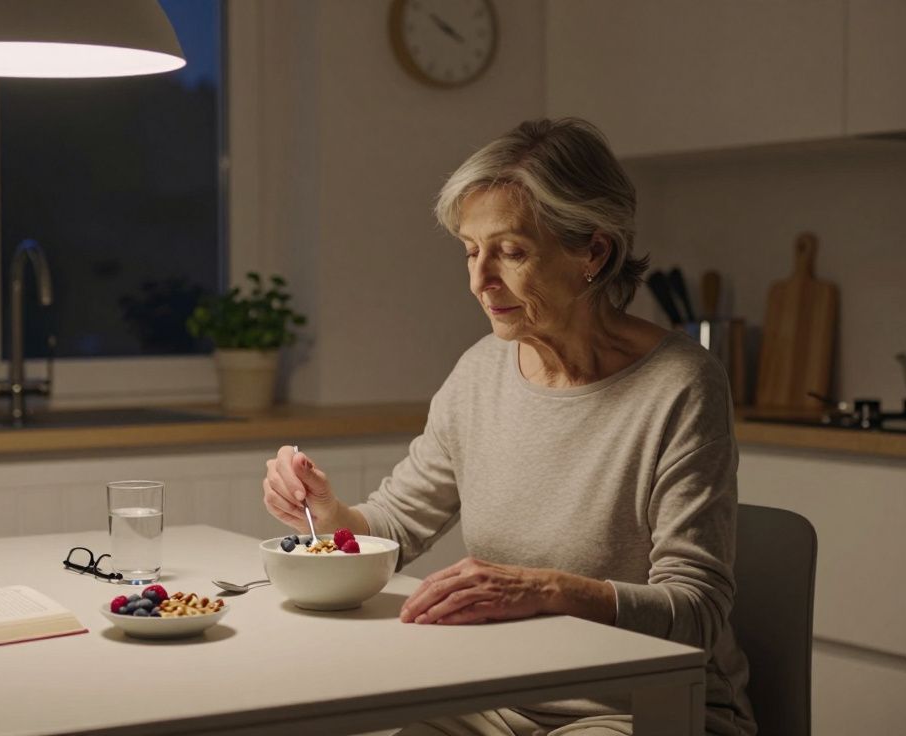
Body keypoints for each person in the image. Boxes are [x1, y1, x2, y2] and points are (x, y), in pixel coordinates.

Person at [262, 118, 756, 736]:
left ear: (593, 254)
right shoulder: (481, 372)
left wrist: (546, 589)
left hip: (640, 706)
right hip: (502, 696)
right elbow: (393, 527)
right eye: (472, 250)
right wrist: (327, 512)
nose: (479, 280)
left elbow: (697, 612)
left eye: (512, 252)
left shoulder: (681, 384)